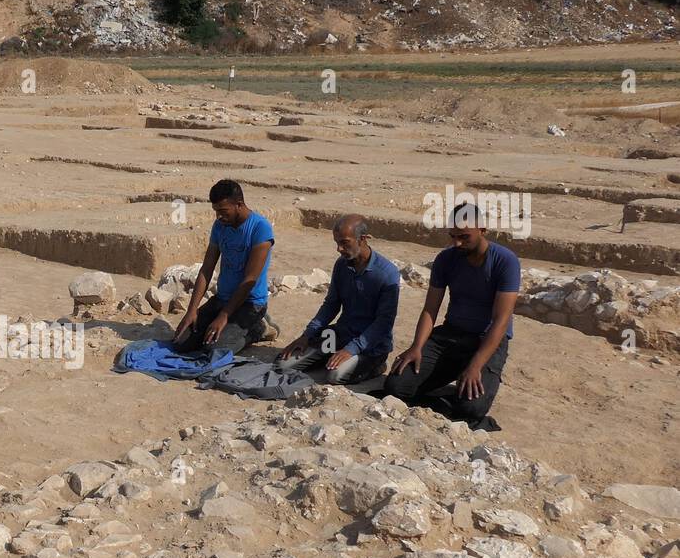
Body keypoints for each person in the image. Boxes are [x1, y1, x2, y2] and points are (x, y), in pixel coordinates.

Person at [384, 202, 520, 429]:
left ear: (482, 230)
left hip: (486, 340)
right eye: (453, 236)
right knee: (396, 386)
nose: (457, 243)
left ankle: (469, 376)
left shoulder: (505, 261)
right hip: (451, 335)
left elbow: (501, 320)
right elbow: (431, 308)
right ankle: (453, 380)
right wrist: (417, 346)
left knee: (470, 409)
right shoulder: (446, 259)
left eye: (464, 237)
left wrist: (476, 364)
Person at [276, 214, 400, 384]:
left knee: (335, 376)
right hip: (340, 335)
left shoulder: (386, 274)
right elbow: (331, 304)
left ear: (363, 239)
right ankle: (330, 357)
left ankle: (376, 366)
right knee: (283, 364)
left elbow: (384, 322)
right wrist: (307, 335)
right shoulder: (342, 265)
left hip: (371, 345)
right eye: (337, 243)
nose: (339, 249)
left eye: (344, 243)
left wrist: (352, 349)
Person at [172, 179, 278, 354]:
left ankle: (258, 328)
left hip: (250, 304)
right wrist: (191, 311)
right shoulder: (220, 226)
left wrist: (223, 316)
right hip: (222, 299)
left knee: (215, 349)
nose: (218, 216)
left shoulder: (260, 228)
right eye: (216, 211)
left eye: (223, 211)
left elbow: (250, 279)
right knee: (180, 342)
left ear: (239, 204)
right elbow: (206, 269)